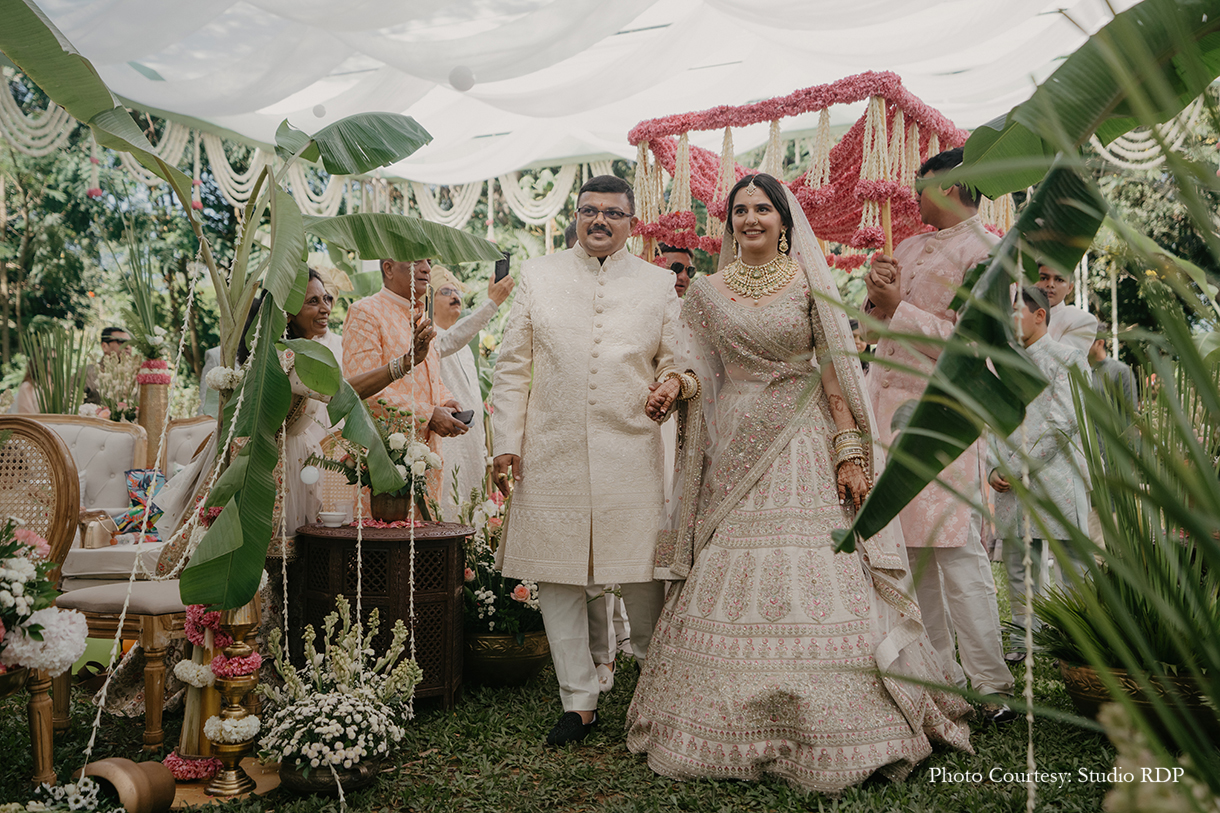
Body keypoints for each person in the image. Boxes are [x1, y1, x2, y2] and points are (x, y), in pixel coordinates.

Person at [627, 173, 972, 793]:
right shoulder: (705, 291)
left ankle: (848, 719)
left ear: (786, 221)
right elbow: (696, 363)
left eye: (764, 208)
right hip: (734, 449)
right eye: (740, 210)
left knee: (821, 560)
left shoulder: (808, 282)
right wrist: (671, 387)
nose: (751, 218)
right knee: (728, 565)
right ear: (728, 222)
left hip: (804, 440)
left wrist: (847, 452)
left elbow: (835, 371)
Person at [491, 174, 676, 746]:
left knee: (644, 575)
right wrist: (506, 441)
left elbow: (677, 358)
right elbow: (512, 365)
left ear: (631, 223)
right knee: (559, 577)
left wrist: (671, 383)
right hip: (552, 451)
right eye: (588, 211)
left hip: (633, 449)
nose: (599, 221)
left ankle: (655, 691)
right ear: (576, 216)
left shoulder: (659, 283)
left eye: (612, 213)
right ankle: (579, 702)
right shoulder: (539, 275)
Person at [863, 147, 1016, 722]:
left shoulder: (990, 255)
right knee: (910, 552)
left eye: (920, 186)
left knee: (956, 551)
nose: (912, 196)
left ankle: (992, 685)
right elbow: (877, 326)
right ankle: (940, 679)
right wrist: (876, 299)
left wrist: (898, 306)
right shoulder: (905, 246)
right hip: (886, 412)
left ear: (950, 185)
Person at [988, 287, 1091, 650]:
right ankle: (1024, 637)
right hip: (1009, 480)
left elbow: (1065, 422)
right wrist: (994, 467)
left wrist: (1016, 466)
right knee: (1019, 562)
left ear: (1039, 315)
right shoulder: (1001, 364)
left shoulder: (1069, 359)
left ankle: (1077, 639)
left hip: (1058, 474)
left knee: (1072, 563)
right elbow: (990, 420)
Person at [344, 258, 469, 505]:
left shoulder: (422, 316)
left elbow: (430, 376)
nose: (426, 269)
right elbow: (361, 392)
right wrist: (429, 413)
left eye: (429, 262)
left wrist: (447, 401)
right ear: (388, 268)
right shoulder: (365, 313)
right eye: (415, 262)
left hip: (428, 458)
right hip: (385, 463)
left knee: (426, 537)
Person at [431, 265, 515, 519]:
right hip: (446, 442)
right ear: (429, 302)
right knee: (448, 511)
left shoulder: (465, 347)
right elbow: (449, 341)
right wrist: (491, 303)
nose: (455, 295)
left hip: (472, 443)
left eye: (457, 291)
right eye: (445, 291)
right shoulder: (428, 338)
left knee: (472, 514)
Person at [1037, 264, 1097, 354]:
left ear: (1070, 287)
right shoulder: (1014, 312)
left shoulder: (1082, 321)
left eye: (1059, 280)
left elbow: (1062, 363)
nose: (1050, 284)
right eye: (1043, 278)